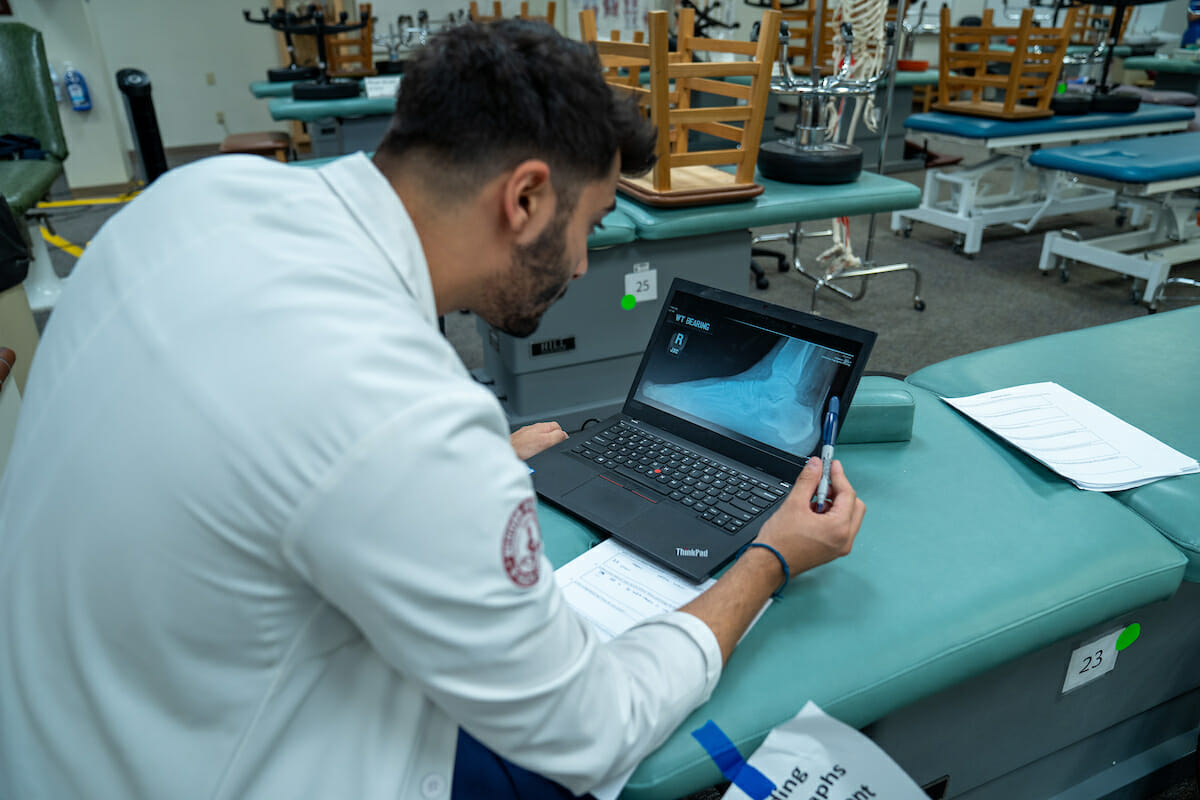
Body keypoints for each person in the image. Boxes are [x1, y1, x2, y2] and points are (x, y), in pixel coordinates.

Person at [0, 20, 865, 800]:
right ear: (524, 199)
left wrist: (462, 469)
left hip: (71, 734)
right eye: (590, 226)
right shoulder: (408, 415)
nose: (578, 268)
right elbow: (593, 732)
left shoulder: (195, 199)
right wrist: (767, 559)